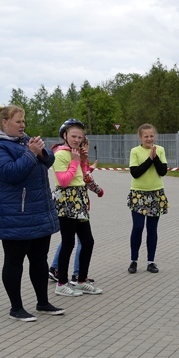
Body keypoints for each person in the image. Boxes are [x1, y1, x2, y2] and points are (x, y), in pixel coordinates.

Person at [0, 105, 65, 321]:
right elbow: (11, 173)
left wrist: (41, 152)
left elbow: (48, 162)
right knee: (14, 262)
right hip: (14, 215)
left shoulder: (25, 141)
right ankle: (16, 308)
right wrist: (31, 153)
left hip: (38, 210)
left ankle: (43, 302)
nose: (23, 125)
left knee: (40, 260)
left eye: (24, 121)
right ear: (4, 123)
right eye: (18, 121)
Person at [51, 119, 102, 296]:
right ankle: (61, 284)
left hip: (79, 200)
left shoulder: (75, 152)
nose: (77, 140)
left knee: (88, 241)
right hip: (66, 200)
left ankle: (81, 280)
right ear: (64, 135)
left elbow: (81, 175)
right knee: (68, 243)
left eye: (80, 137)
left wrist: (83, 160)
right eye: (73, 136)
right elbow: (64, 181)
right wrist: (74, 161)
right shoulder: (60, 154)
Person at [127, 123, 168, 273]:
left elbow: (163, 171)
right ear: (140, 137)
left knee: (152, 229)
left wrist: (155, 157)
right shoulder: (135, 151)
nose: (149, 139)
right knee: (138, 227)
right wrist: (149, 159)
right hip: (138, 193)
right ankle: (133, 260)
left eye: (151, 136)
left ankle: (151, 261)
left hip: (156, 193)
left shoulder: (160, 150)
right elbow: (136, 172)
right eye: (146, 136)